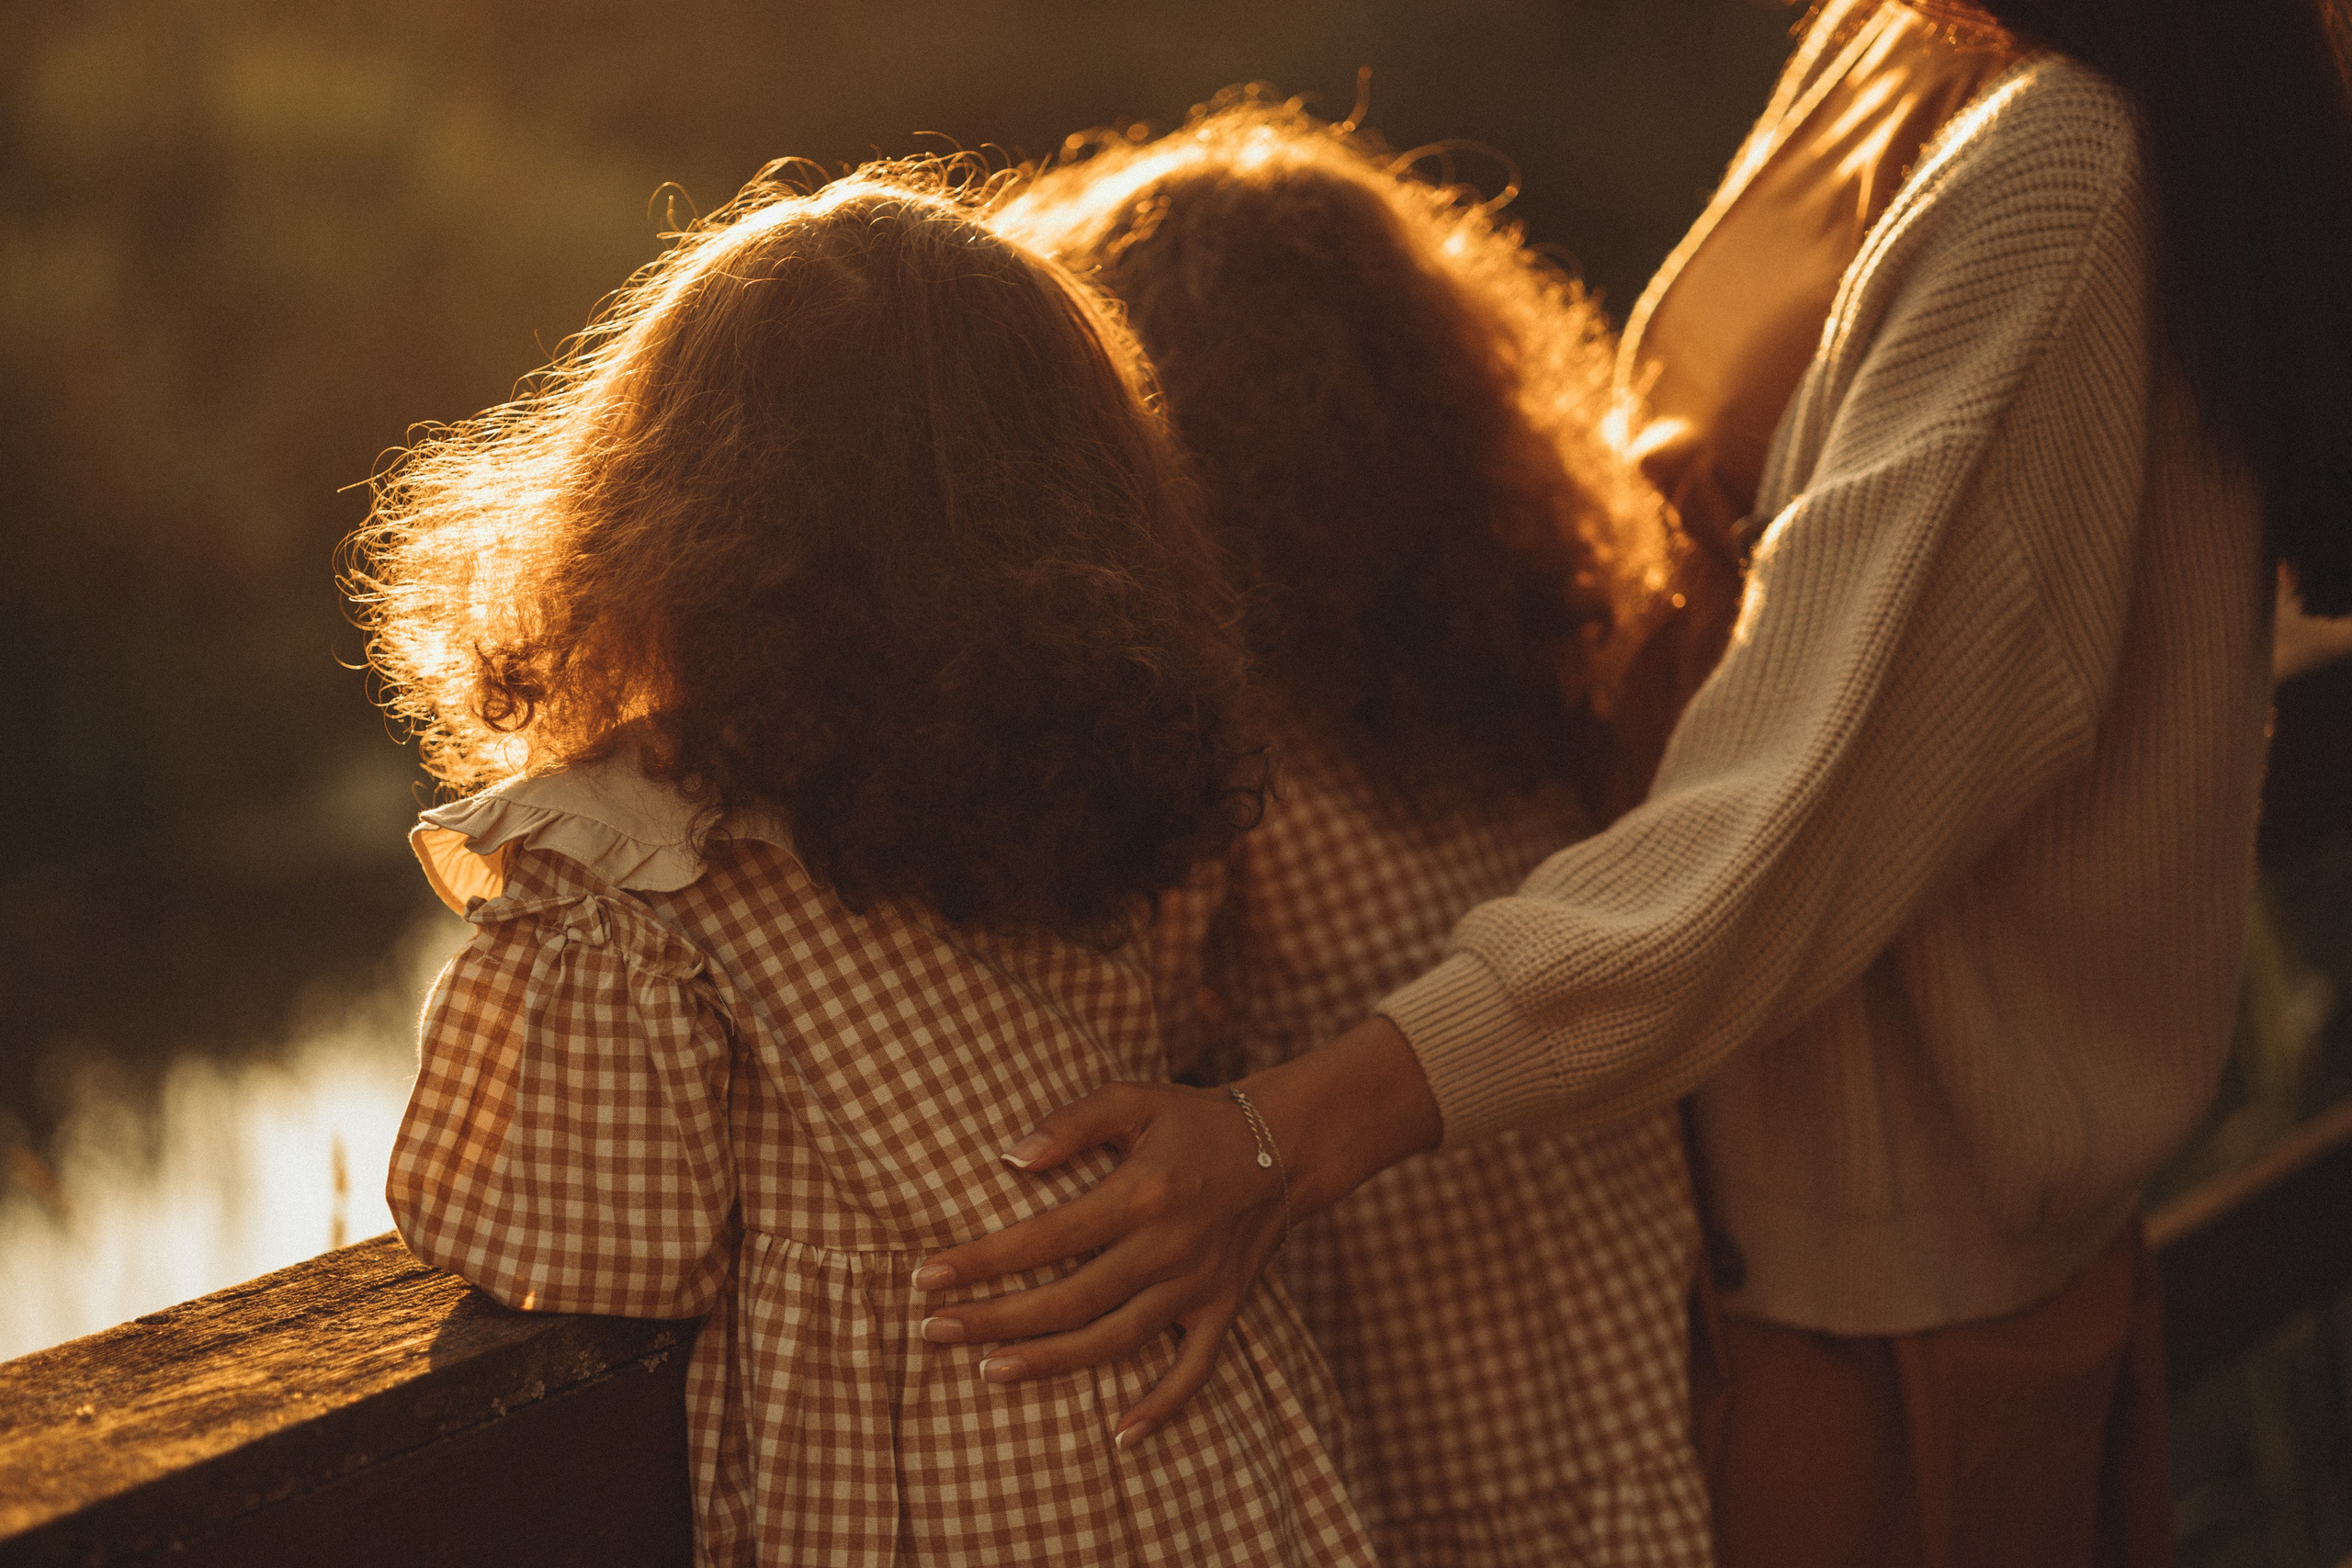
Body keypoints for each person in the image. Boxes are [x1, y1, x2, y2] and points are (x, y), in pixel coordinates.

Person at [912, 2, 2352, 1562]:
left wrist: (1285, 1132)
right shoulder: (1906, 42)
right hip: (1697, 1195)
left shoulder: (2067, 170)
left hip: (1871, 1306)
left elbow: (1795, 805)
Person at [360, 164, 1376, 1566]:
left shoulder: (639, 864)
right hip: (1202, 1460)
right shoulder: (1085, 782)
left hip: (948, 1490)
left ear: (657, 501)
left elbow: (580, 1245)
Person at [996, 102, 1711, 1564]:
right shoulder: (1523, 676)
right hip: (1636, 1347)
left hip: (1427, 1408)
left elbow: (1084, 1052)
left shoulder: (1217, 761)